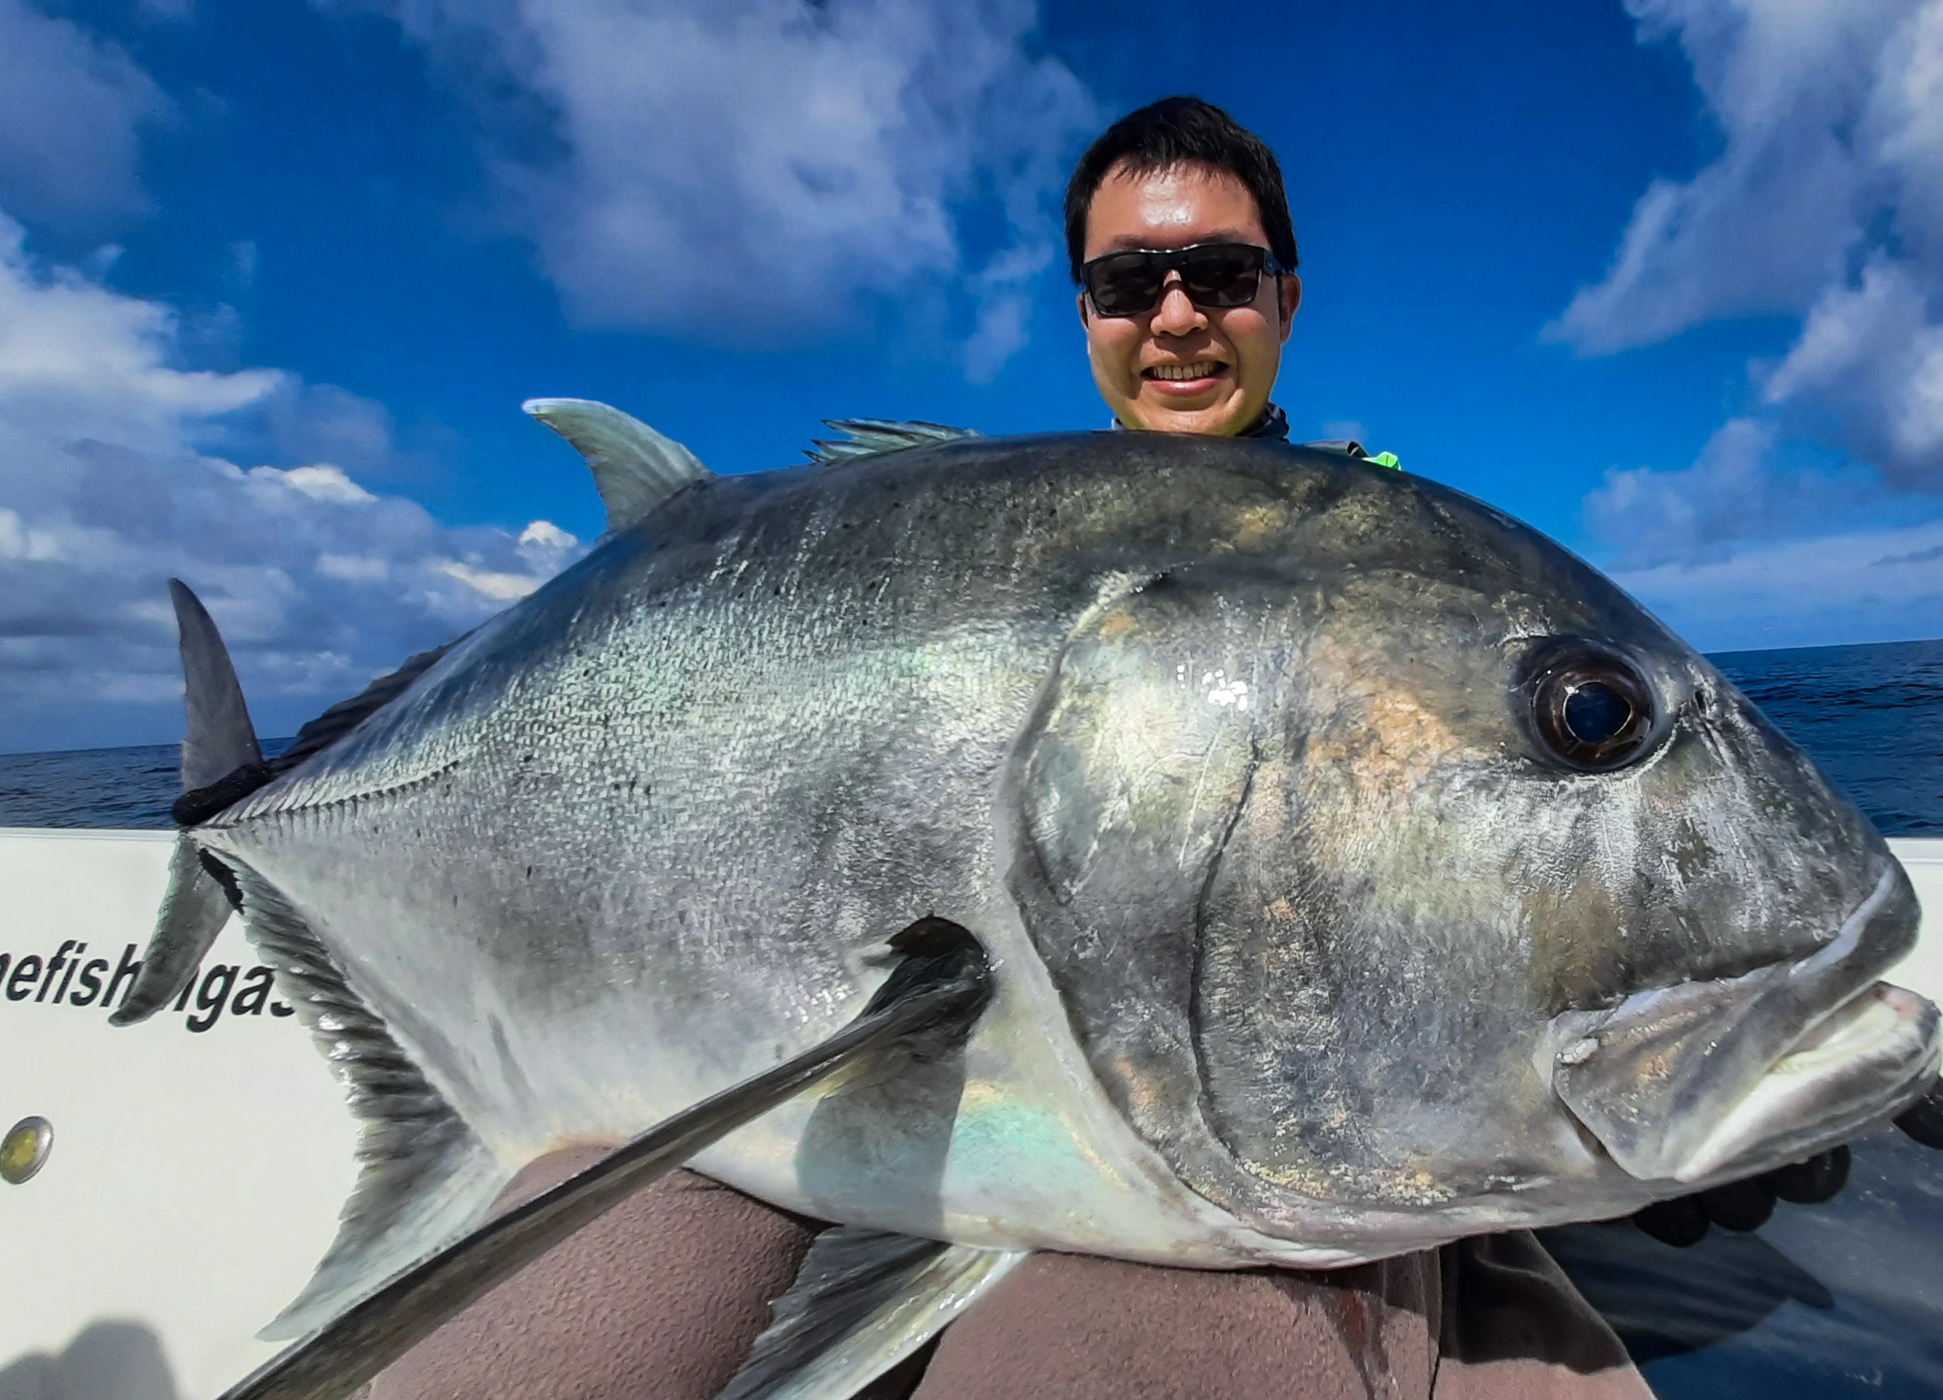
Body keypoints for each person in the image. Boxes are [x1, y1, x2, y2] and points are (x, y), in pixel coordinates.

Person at [358, 98, 1678, 1400]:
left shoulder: (1414, 558)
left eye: (1221, 275)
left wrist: (1658, 1053)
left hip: (1225, 1142)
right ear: (1089, 314)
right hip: (767, 1068)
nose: (1177, 315)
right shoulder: (943, 531)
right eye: (1129, 284)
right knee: (537, 1345)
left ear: (1283, 297)